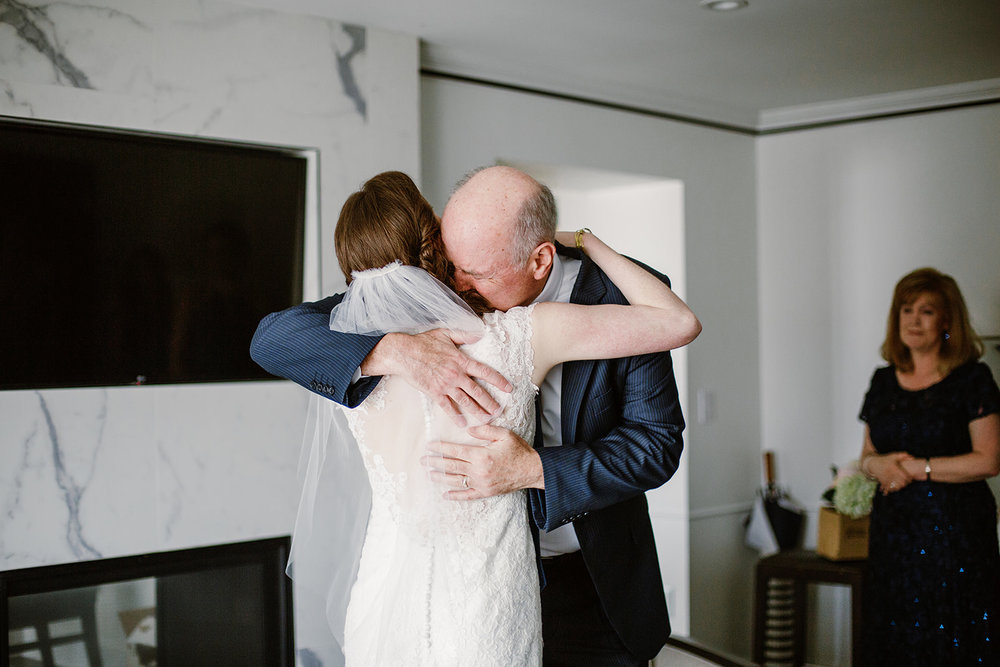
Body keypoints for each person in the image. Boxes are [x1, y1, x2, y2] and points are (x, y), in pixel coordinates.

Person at [251, 165, 692, 665]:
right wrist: (396, 351)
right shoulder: (417, 295)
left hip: (591, 580)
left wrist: (533, 470)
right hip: (445, 590)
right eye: (449, 262)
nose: (456, 284)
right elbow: (273, 336)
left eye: (474, 273)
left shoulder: (619, 296)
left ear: (540, 259)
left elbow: (656, 445)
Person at [857, 267, 1000, 666]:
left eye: (926, 311)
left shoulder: (973, 379)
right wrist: (878, 465)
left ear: (948, 321)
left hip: (956, 533)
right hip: (894, 532)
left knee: (954, 633)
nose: (913, 320)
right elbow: (867, 455)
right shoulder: (883, 380)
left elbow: (989, 460)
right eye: (906, 310)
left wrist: (914, 468)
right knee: (896, 629)